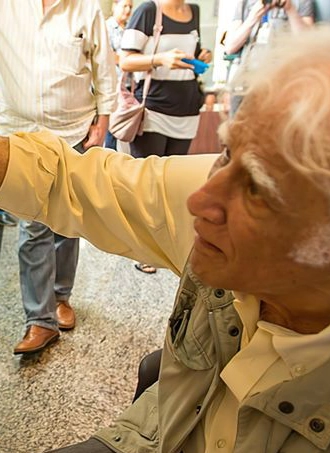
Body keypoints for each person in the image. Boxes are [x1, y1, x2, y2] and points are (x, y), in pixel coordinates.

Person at [1, 23, 330, 453]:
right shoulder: (230, 210)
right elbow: (75, 181)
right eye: (227, 153)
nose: (201, 200)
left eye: (258, 188)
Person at [0, 0, 117, 355]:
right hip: (18, 132)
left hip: (73, 132)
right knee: (32, 225)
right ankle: (40, 319)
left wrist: (104, 120)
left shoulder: (87, 8)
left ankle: (61, 296)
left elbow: (104, 66)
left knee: (67, 223)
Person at [120, 0, 212, 158]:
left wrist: (204, 54)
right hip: (153, 113)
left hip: (187, 112)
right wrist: (160, 59)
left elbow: (191, 52)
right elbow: (125, 61)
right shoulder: (148, 11)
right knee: (148, 177)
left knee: (174, 177)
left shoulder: (194, 11)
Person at [223, 0, 314, 85]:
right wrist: (254, 17)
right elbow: (230, 47)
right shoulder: (245, 2)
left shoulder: (301, 2)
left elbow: (307, 42)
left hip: (284, 77)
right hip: (248, 77)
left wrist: (290, 9)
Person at [104, 0, 134, 151]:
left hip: (128, 87)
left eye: (130, 7)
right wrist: (127, 60)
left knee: (124, 129)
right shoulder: (106, 28)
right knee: (111, 129)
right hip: (111, 88)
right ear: (114, 6)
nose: (128, 10)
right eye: (124, 6)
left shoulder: (130, 28)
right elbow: (106, 55)